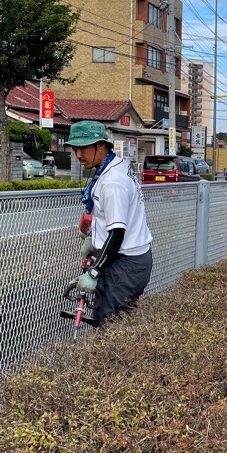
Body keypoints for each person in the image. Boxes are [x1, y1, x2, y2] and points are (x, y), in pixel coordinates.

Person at [67, 120, 153, 325]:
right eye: (74, 149)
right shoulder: (114, 166)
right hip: (122, 259)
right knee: (105, 320)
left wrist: (95, 271)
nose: (78, 155)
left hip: (126, 264)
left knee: (111, 327)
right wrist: (94, 240)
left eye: (83, 149)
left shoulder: (113, 181)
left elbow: (117, 233)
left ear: (101, 145)